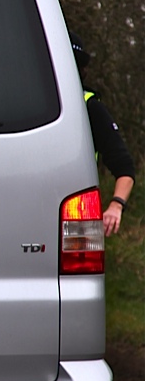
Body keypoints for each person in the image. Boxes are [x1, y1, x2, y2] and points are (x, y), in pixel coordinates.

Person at [72, 33, 135, 236]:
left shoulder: (90, 107)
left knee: (81, 266)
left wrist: (116, 206)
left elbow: (124, 167)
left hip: (78, 208)